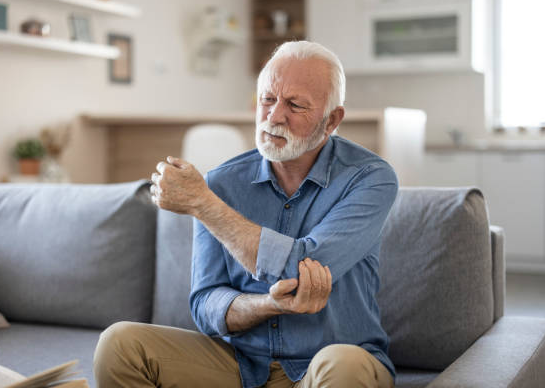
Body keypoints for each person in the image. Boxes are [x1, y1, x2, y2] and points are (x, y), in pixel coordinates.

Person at [93, 41, 398, 388]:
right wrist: (266, 304)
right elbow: (206, 304)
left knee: (341, 365)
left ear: (331, 121)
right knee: (120, 343)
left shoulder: (370, 178)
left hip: (331, 361)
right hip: (241, 366)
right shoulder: (221, 183)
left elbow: (303, 268)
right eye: (267, 99)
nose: (274, 116)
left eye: (295, 105)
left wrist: (205, 206)